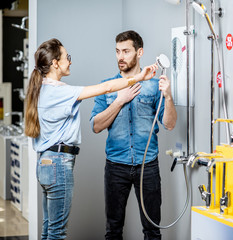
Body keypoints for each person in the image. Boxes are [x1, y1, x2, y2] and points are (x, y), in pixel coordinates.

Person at [24, 38, 158, 240]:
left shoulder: (41, 88)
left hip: (44, 163)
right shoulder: (60, 91)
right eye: (66, 57)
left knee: (48, 230)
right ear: (55, 63)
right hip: (58, 165)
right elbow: (106, 88)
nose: (69, 61)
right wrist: (139, 77)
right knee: (56, 234)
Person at [90, 30, 177, 240]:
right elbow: (96, 126)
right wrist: (120, 100)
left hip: (147, 166)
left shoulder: (153, 86)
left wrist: (168, 97)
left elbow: (170, 124)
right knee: (113, 230)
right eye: (118, 51)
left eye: (126, 51)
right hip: (115, 166)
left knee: (152, 230)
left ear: (140, 52)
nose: (120, 56)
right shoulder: (108, 87)